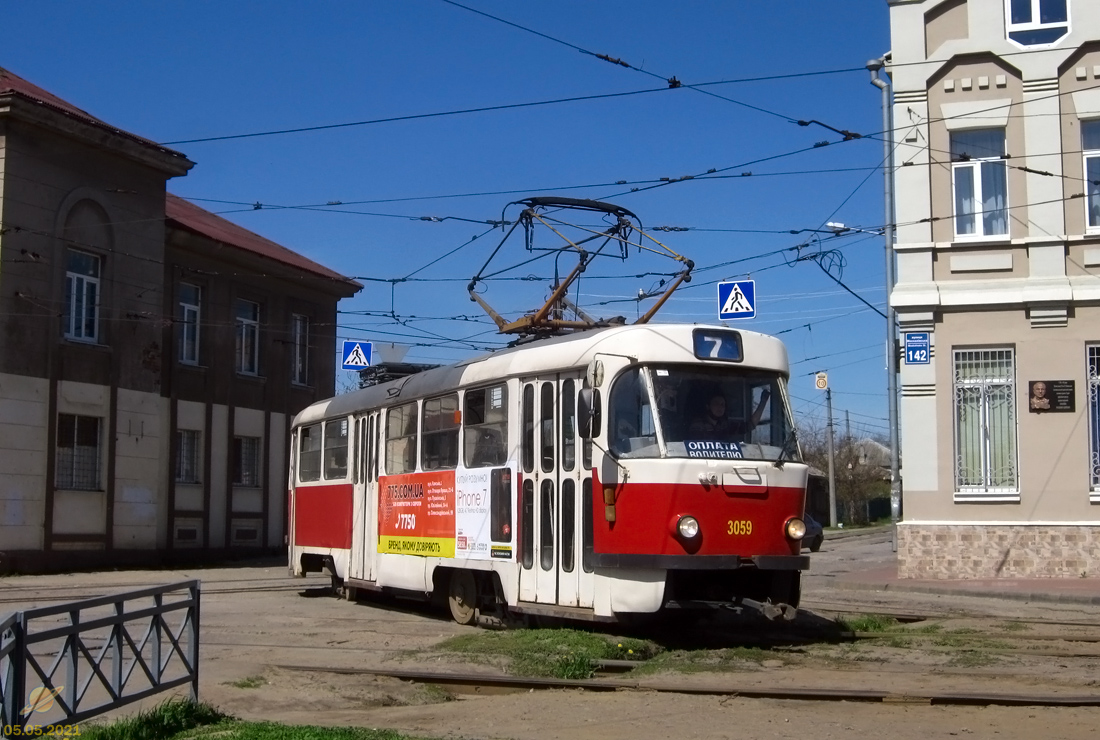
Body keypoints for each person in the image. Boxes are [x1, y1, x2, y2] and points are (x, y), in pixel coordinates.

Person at [689, 389, 770, 441]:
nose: (720, 407)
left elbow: (750, 425)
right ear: (708, 406)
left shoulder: (724, 425)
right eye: (716, 404)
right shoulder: (698, 425)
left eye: (722, 404)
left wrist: (763, 402)